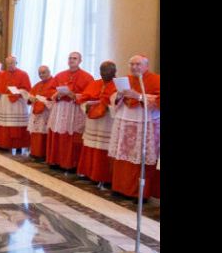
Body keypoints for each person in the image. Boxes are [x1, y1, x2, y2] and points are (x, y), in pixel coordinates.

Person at [107, 55, 160, 200]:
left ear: (146, 66)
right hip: (125, 122)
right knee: (122, 154)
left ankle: (138, 193)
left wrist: (139, 97)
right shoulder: (126, 79)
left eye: (138, 64)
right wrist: (118, 95)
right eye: (132, 64)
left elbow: (157, 102)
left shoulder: (156, 80)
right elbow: (112, 99)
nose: (134, 67)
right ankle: (119, 187)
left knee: (141, 157)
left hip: (145, 125)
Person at [45, 52, 94, 170]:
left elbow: (89, 95)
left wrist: (74, 95)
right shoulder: (60, 75)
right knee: (58, 134)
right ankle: (55, 160)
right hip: (60, 108)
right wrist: (57, 94)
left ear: (80, 61)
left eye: (74, 58)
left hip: (74, 109)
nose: (71, 60)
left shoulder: (87, 77)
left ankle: (70, 163)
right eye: (70, 58)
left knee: (71, 136)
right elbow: (49, 91)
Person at [77, 61, 118, 186]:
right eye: (102, 70)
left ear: (114, 71)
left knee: (104, 148)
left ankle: (103, 177)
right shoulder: (94, 83)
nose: (104, 73)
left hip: (108, 122)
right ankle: (90, 173)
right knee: (91, 146)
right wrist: (88, 105)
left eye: (107, 71)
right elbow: (83, 99)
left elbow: (119, 103)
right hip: (93, 121)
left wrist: (107, 106)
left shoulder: (119, 85)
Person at [0, 56, 32, 152]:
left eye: (12, 63)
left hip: (18, 104)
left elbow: (27, 90)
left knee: (17, 126)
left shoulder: (23, 74)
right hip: (4, 103)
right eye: (8, 63)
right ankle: (3, 144)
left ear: (16, 63)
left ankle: (18, 145)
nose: (10, 65)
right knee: (4, 125)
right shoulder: (2, 75)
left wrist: (18, 91)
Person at [26, 66, 54, 159]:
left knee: (43, 133)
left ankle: (42, 153)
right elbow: (30, 95)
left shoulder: (54, 83)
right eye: (40, 73)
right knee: (35, 132)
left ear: (49, 72)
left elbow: (53, 99)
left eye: (43, 72)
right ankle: (34, 151)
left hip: (46, 113)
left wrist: (42, 100)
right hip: (36, 112)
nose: (41, 75)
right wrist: (31, 98)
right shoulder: (38, 84)